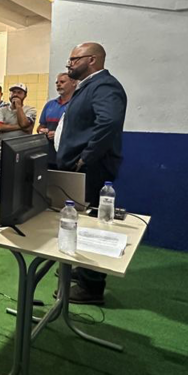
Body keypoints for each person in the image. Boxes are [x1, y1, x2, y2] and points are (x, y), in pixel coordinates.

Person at [56, 42, 127, 305]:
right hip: (83, 168)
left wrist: (86, 157)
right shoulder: (89, 86)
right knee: (82, 222)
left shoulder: (104, 86)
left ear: (93, 60)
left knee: (91, 224)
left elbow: (108, 122)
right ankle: (85, 271)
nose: (70, 64)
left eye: (75, 59)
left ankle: (91, 287)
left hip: (91, 169)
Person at [0, 83, 37, 186]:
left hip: (22, 155)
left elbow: (24, 123)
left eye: (19, 93)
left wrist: (18, 107)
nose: (15, 95)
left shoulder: (30, 110)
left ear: (25, 95)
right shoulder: (1, 110)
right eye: (13, 92)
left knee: (19, 186)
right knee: (1, 187)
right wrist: (21, 127)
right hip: (2, 155)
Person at [38, 73, 77, 164]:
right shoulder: (50, 105)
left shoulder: (77, 105)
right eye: (56, 82)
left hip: (69, 156)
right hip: (49, 156)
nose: (58, 84)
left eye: (62, 82)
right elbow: (40, 127)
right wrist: (42, 130)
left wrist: (58, 135)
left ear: (74, 83)